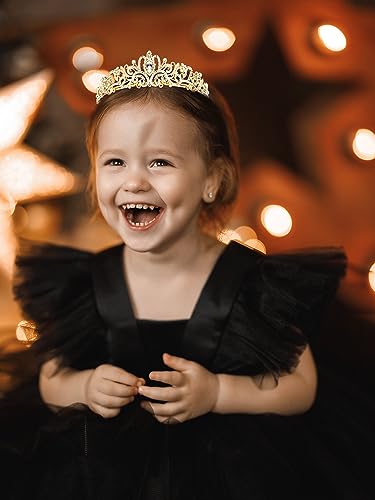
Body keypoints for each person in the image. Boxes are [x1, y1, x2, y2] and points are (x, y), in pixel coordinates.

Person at [0, 50, 374, 500]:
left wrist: (217, 392)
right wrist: (84, 386)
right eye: (114, 162)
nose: (134, 181)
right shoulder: (85, 282)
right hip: (109, 468)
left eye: (159, 162)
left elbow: (300, 387)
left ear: (212, 181)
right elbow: (50, 376)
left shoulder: (251, 282)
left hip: (232, 465)